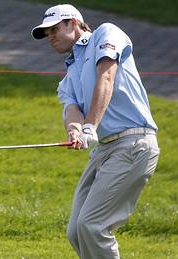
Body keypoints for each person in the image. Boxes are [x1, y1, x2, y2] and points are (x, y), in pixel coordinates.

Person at [31, 4, 160, 259]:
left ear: (73, 23)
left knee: (92, 226)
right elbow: (72, 110)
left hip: (134, 142)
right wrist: (75, 130)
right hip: (105, 150)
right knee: (76, 231)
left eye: (54, 29)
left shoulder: (106, 34)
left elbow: (107, 76)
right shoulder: (68, 76)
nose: (50, 37)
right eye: (47, 34)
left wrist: (90, 125)